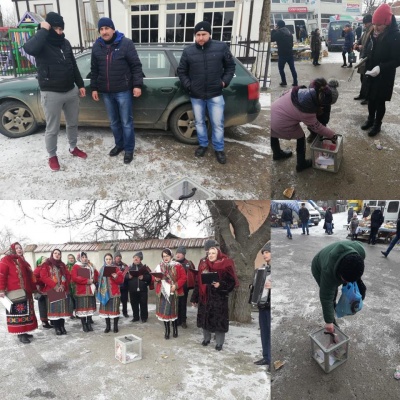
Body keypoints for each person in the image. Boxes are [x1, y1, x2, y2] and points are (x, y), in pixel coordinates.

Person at [23, 12, 87, 171]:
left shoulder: (65, 43)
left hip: (70, 91)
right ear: (49, 27)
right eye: (56, 28)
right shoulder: (41, 42)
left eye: (61, 29)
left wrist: (80, 85)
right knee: (52, 128)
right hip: (51, 93)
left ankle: (73, 148)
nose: (59, 32)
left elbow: (73, 65)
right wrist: (43, 30)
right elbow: (28, 48)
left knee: (73, 123)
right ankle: (52, 156)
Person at [177, 21, 236, 165]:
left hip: (215, 93)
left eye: (204, 34)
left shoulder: (221, 47)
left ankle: (219, 149)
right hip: (196, 95)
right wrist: (189, 85)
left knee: (217, 123)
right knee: (199, 122)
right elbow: (181, 71)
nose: (201, 37)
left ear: (209, 34)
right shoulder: (188, 51)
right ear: (195, 36)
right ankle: (203, 145)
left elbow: (230, 67)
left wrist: (223, 82)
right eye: (198, 35)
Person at [91, 17, 143, 164]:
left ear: (113, 29)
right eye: (101, 29)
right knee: (114, 122)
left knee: (126, 122)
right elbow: (94, 70)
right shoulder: (97, 46)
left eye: (107, 28)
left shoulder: (126, 44)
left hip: (123, 90)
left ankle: (129, 149)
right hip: (106, 92)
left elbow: (136, 66)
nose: (104, 31)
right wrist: (94, 87)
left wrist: (137, 85)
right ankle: (119, 145)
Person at [271, 78, 339, 172]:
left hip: (272, 115)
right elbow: (317, 127)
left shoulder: (301, 91)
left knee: (273, 132)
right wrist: (332, 135)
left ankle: (277, 153)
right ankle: (301, 164)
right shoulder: (307, 111)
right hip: (281, 123)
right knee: (301, 137)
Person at [360, 4, 400, 137]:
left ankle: (377, 124)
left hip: (384, 75)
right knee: (371, 98)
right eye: (374, 24)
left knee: (379, 100)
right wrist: (365, 58)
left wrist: (380, 68)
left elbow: (397, 60)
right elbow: (371, 49)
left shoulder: (395, 36)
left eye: (379, 25)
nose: (375, 28)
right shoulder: (374, 32)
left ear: (387, 22)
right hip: (371, 71)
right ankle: (370, 120)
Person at [311, 241, 366, 333]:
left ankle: (334, 307)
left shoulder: (360, 252)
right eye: (345, 280)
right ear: (339, 272)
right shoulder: (328, 272)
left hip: (339, 266)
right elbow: (326, 297)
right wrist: (328, 322)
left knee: (340, 285)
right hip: (318, 266)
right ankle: (333, 320)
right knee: (331, 295)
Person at [190, 246, 237, 351]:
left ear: (218, 254)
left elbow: (231, 282)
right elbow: (198, 282)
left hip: (219, 299)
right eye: (209, 253)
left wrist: (220, 285)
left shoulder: (225, 265)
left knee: (219, 321)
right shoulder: (204, 265)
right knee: (205, 319)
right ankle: (206, 339)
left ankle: (219, 343)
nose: (210, 255)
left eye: (213, 253)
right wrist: (195, 298)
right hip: (205, 298)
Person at [0, 243, 38, 344]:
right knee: (18, 314)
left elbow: (30, 275)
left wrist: (34, 288)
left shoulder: (22, 260)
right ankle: (20, 334)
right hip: (14, 292)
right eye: (16, 248)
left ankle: (25, 332)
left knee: (27, 312)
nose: (19, 249)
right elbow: (1, 275)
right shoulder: (6, 260)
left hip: (26, 291)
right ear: (12, 249)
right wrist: (1, 289)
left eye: (20, 247)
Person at [154, 249, 187, 339]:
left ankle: (175, 328)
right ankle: (167, 330)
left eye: (167, 256)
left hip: (173, 292)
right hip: (163, 293)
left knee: (173, 312)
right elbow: (154, 276)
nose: (165, 258)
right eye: (164, 256)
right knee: (165, 313)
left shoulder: (178, 266)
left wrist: (175, 286)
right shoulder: (159, 266)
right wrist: (156, 279)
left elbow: (184, 278)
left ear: (171, 256)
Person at [40, 249, 72, 335]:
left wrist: (62, 285)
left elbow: (66, 275)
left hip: (62, 289)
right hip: (52, 290)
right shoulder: (46, 264)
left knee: (62, 310)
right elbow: (44, 277)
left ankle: (62, 326)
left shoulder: (62, 265)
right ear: (52, 254)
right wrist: (55, 286)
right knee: (55, 310)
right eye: (55, 253)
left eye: (59, 254)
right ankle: (57, 327)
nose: (57, 255)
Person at [253, 242, 271, 373]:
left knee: (271, 333)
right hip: (263, 305)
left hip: (271, 306)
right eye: (263, 252)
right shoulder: (264, 268)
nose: (264, 254)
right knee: (264, 332)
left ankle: (271, 358)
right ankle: (266, 357)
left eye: (267, 252)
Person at [71, 252, 99, 332]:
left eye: (85, 257)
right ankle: (84, 324)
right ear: (79, 258)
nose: (84, 258)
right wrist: (86, 281)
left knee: (89, 307)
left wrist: (93, 279)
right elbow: (74, 278)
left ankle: (89, 323)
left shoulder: (90, 266)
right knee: (82, 309)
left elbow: (96, 275)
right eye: (82, 257)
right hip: (81, 291)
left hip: (90, 290)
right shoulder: (76, 266)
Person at [97, 253, 124, 333]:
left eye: (110, 259)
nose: (108, 261)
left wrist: (116, 277)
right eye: (106, 259)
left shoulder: (116, 268)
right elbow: (99, 280)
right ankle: (108, 326)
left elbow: (121, 281)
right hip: (104, 293)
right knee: (106, 311)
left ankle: (115, 326)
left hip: (114, 293)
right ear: (104, 260)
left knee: (114, 310)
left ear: (112, 260)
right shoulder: (101, 269)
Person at [126, 251, 152, 323]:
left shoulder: (145, 268)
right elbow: (123, 276)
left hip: (142, 289)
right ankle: (136, 317)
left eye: (137, 258)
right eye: (134, 257)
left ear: (141, 259)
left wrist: (143, 277)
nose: (136, 259)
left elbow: (150, 277)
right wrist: (128, 276)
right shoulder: (128, 268)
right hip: (132, 289)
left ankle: (144, 317)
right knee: (134, 304)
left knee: (143, 304)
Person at [174, 246, 196, 328]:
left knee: (183, 305)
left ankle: (183, 321)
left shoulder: (188, 263)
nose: (178, 255)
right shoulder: (173, 263)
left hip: (184, 288)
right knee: (176, 305)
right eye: (177, 253)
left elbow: (193, 274)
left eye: (180, 253)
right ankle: (176, 320)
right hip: (175, 288)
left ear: (184, 254)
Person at [271, 20, 298, 87]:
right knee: (292, 68)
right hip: (290, 53)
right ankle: (295, 82)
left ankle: (284, 81)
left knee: (281, 68)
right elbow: (292, 43)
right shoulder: (289, 32)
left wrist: (274, 30)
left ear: (278, 26)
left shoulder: (279, 32)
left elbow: (271, 39)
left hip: (282, 54)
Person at [353, 15, 373, 105]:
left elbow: (371, 47)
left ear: (370, 22)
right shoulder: (366, 31)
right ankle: (362, 94)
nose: (365, 25)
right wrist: (356, 44)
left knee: (367, 79)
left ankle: (368, 97)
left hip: (368, 59)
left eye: (366, 23)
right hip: (363, 58)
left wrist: (361, 47)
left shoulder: (372, 31)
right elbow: (360, 40)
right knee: (362, 77)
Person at [33, 256, 53, 329]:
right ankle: (44, 321)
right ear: (40, 262)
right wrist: (43, 280)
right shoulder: (37, 269)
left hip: (49, 290)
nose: (46, 261)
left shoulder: (49, 268)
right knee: (43, 306)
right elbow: (34, 279)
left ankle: (51, 320)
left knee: (50, 306)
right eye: (44, 260)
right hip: (41, 291)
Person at [114, 251, 130, 317]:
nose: (118, 258)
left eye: (119, 256)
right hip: (115, 286)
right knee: (116, 301)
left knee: (124, 300)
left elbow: (128, 275)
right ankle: (116, 313)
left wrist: (125, 277)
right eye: (117, 256)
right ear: (114, 258)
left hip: (124, 286)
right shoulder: (112, 265)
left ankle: (125, 312)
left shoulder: (125, 265)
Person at [66, 254, 77, 318]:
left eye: (72, 258)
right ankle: (71, 313)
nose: (71, 259)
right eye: (69, 258)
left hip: (76, 285)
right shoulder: (66, 266)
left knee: (77, 300)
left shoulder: (77, 266)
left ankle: (77, 313)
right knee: (70, 300)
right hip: (69, 286)